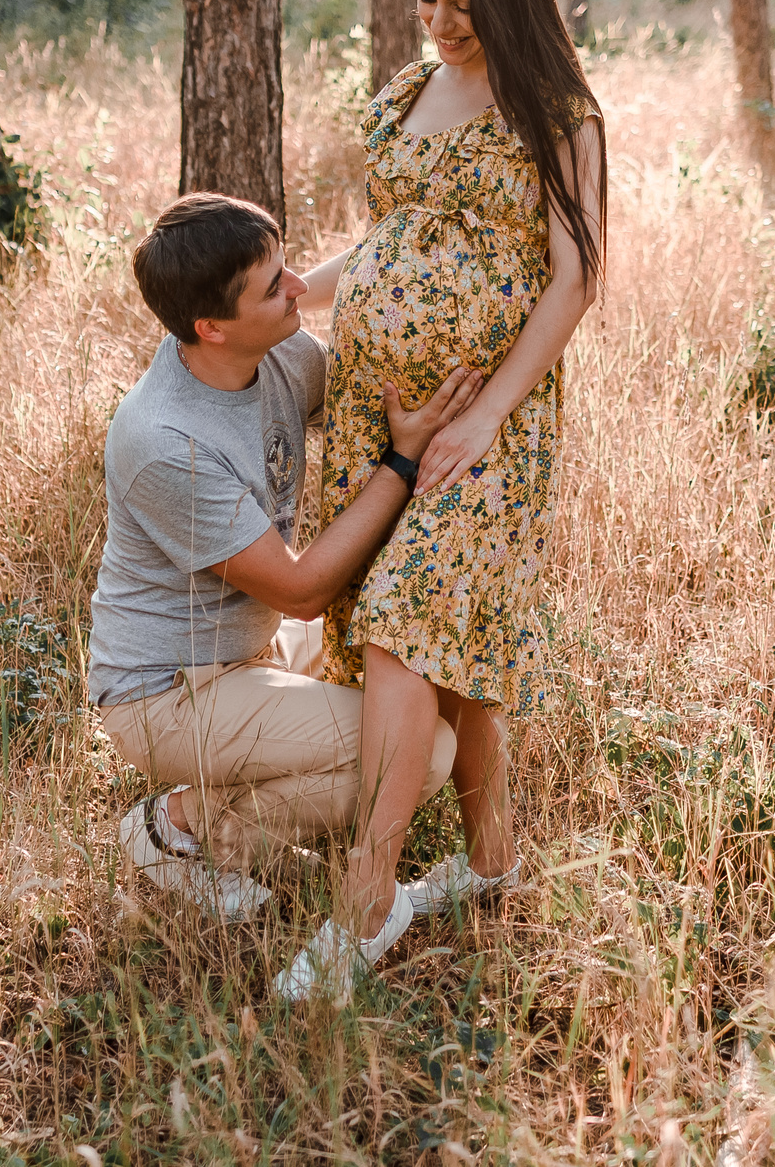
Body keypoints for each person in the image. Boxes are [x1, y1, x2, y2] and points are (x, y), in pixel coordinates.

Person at [281, 0, 607, 1002]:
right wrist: (302, 292)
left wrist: (488, 413)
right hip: (382, 414)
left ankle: (367, 898)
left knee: (410, 622)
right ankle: (491, 856)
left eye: (462, 4)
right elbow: (389, 241)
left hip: (487, 425)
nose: (440, 23)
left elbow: (576, 279)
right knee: (454, 656)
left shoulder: (558, 108)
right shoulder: (413, 85)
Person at [93, 191, 488, 922]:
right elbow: (303, 587)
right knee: (420, 751)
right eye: (275, 286)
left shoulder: (274, 352)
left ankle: (216, 817)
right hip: (170, 693)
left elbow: (369, 395)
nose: (302, 288)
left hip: (254, 644)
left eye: (286, 267)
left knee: (414, 672)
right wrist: (402, 464)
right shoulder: (164, 441)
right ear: (211, 327)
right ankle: (182, 826)